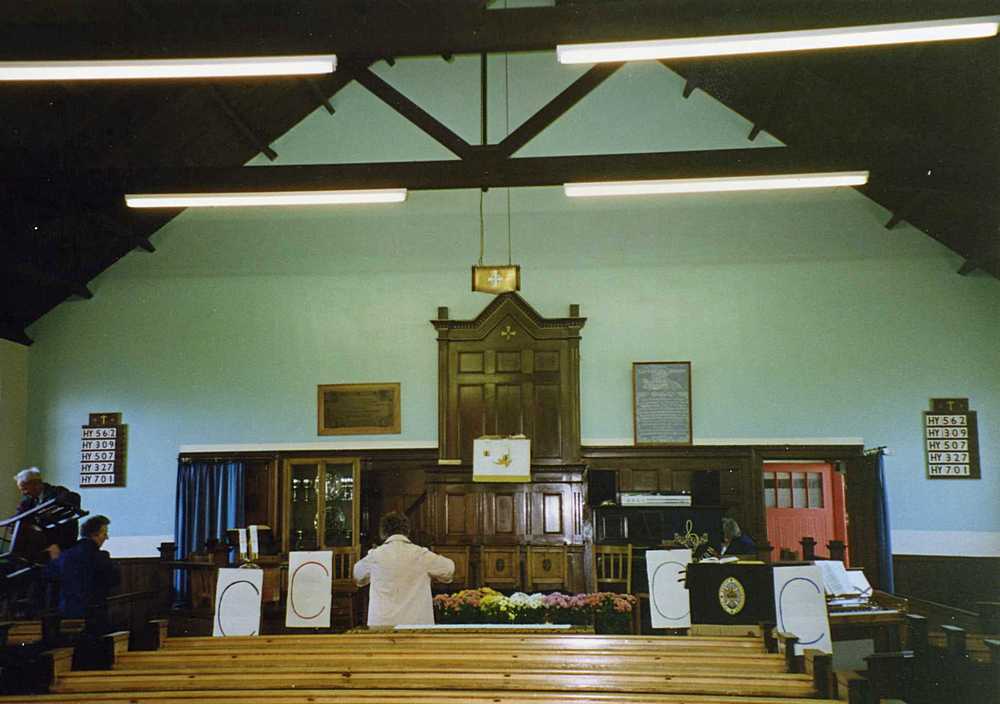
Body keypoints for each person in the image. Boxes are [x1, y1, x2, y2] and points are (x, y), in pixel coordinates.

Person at [353, 512, 454, 626]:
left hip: (382, 626)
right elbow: (449, 569)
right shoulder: (421, 554)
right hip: (416, 625)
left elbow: (357, 575)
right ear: (407, 531)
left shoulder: (375, 556)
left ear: (383, 532)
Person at [46, 515, 120, 635]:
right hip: (94, 616)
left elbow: (50, 575)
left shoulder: (65, 556)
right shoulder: (100, 557)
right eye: (104, 533)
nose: (106, 537)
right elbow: (114, 580)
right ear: (95, 534)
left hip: (66, 614)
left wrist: (54, 560)